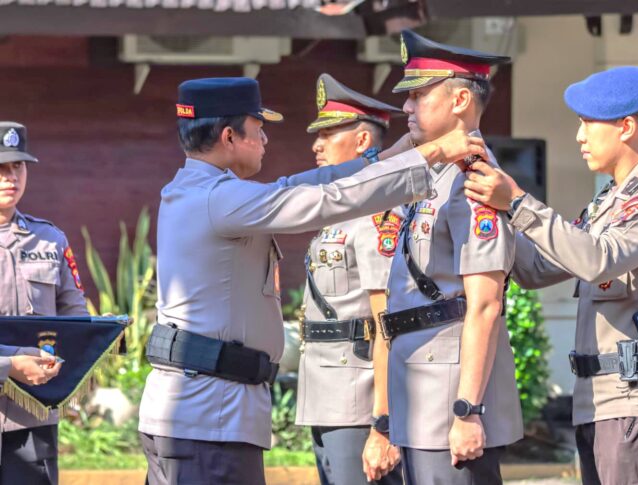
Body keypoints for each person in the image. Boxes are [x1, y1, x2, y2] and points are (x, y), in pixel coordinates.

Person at [137, 76, 488, 485]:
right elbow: (324, 200)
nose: (266, 139)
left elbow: (296, 186)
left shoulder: (202, 191)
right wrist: (431, 154)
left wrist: (390, 156)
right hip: (208, 417)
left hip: (199, 413)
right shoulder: (220, 199)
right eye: (258, 129)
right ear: (229, 136)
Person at [463, 66, 638, 485]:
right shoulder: (604, 205)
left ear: (625, 127)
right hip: (598, 405)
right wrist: (492, 211)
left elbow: (599, 260)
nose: (579, 136)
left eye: (589, 123)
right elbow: (535, 270)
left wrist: (516, 202)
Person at [364, 30, 524, 485]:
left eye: (418, 95)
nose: (407, 108)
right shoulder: (433, 171)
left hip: (447, 394)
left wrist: (468, 409)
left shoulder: (474, 178)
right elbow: (365, 178)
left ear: (459, 101)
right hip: (417, 385)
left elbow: (486, 302)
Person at [295, 73, 404, 485]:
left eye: (329, 133)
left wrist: (383, 421)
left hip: (358, 400)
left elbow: (385, 321)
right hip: (325, 393)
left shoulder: (378, 215)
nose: (316, 145)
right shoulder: (339, 213)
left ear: (361, 142)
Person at [0, 121, 87, 484]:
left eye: (17, 166)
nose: (11, 177)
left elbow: (75, 316)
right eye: (1, 168)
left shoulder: (49, 240)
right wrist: (8, 365)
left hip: (33, 413)